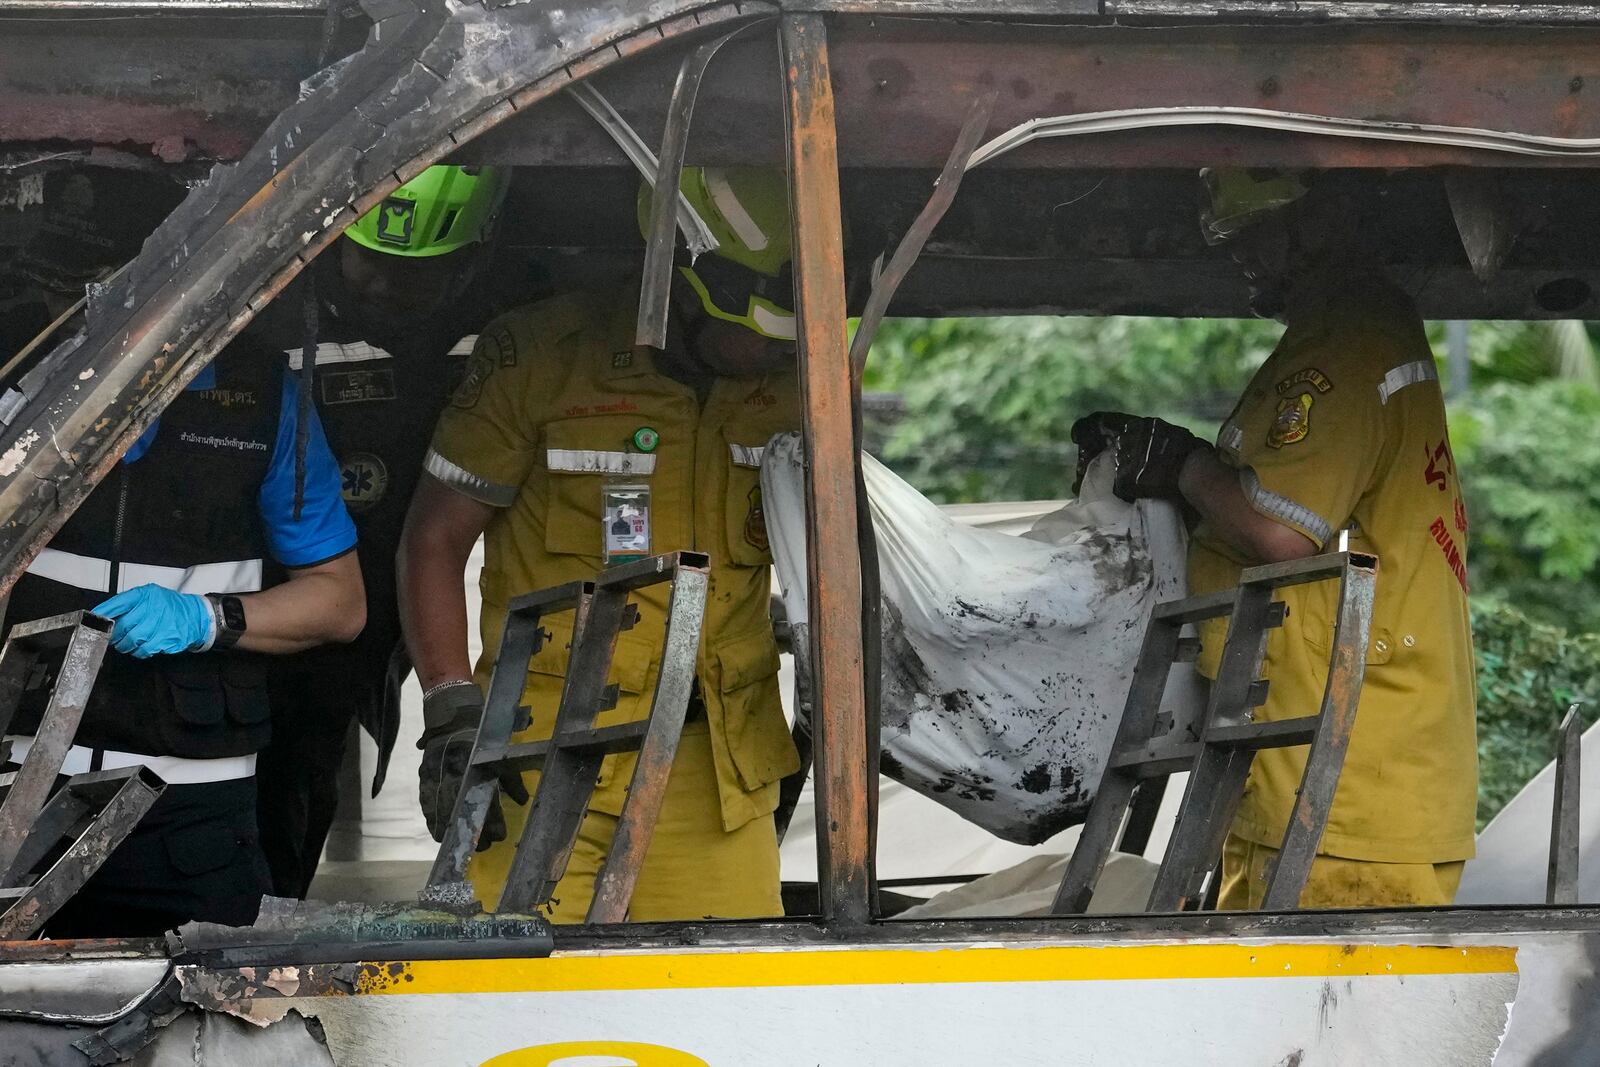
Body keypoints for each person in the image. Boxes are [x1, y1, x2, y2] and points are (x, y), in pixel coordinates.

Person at [398, 166, 801, 921]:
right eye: (766, 333)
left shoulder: (799, 385)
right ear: (686, 286)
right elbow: (433, 539)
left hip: (716, 772)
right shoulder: (541, 356)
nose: (784, 352)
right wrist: (450, 706)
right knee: (516, 1011)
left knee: (729, 1015)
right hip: (541, 763)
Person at [1072, 169, 1476, 909]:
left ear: (1323, 223)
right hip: (1331, 773)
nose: (1239, 256)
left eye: (1257, 235)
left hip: (1341, 793)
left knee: (1310, 1020)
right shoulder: (1347, 336)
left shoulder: (1348, 343)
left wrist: (1182, 462)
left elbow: (1282, 535)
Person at [3, 334, 364, 937]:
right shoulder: (29, 385)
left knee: (218, 1020)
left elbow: (340, 601)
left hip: (193, 809)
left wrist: (204, 620)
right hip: (24, 792)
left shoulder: (269, 404)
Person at [250, 164, 514, 899]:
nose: (385, 287)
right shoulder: (268, 319)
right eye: (367, 260)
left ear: (475, 256)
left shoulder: (512, 322)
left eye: (417, 274)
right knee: (282, 802)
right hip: (292, 617)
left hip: (444, 606)